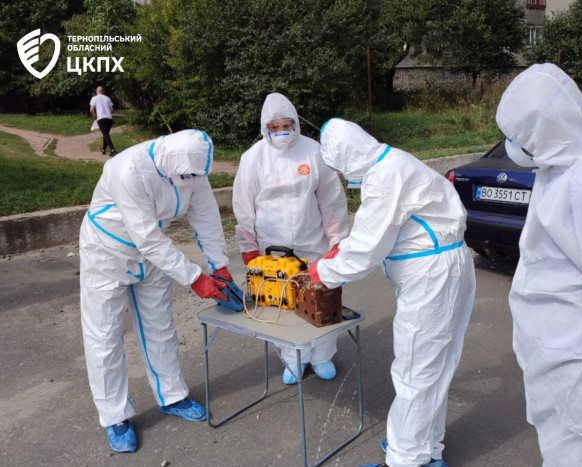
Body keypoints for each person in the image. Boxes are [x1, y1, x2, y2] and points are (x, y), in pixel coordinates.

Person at [307, 119, 476, 467]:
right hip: (446, 267)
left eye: (338, 167)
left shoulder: (384, 178)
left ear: (344, 158)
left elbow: (367, 250)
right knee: (434, 366)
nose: (341, 174)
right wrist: (342, 251)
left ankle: (406, 459)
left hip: (432, 278)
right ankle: (425, 448)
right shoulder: (392, 161)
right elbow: (379, 232)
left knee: (415, 370)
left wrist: (322, 271)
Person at [496, 63, 582, 466]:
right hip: (559, 352)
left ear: (546, 129)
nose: (515, 147)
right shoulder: (565, 163)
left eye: (519, 137)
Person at [79, 129, 233, 453]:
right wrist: (196, 278)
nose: (192, 181)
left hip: (154, 252)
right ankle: (115, 416)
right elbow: (145, 236)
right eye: (187, 176)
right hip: (107, 251)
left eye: (197, 175)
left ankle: (172, 395)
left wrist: (219, 266)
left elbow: (206, 217)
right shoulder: (128, 169)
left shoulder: (193, 170)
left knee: (159, 326)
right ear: (171, 162)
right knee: (104, 338)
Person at [232, 93, 349, 385]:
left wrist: (337, 241)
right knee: (280, 305)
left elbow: (332, 200)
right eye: (275, 127)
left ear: (295, 123)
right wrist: (248, 246)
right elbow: (243, 206)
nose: (281, 131)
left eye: (286, 125)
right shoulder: (253, 157)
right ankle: (293, 358)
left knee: (320, 299)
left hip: (313, 243)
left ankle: (322, 356)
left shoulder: (313, 151)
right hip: (273, 249)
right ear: (265, 128)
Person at [90, 85, 117, 156]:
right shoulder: (108, 98)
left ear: (96, 91)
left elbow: (91, 110)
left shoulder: (94, 98)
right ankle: (104, 150)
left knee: (105, 134)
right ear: (103, 91)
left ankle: (113, 150)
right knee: (106, 134)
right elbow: (112, 110)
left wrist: (95, 116)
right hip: (109, 119)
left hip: (101, 118)